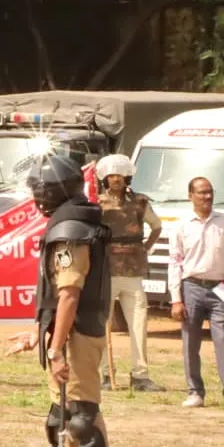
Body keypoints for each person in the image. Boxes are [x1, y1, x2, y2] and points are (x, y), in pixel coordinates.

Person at [4, 154, 115, 447]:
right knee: (62, 423)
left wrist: (56, 349)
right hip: (69, 332)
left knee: (83, 420)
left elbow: (69, 294)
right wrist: (39, 332)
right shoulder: (72, 222)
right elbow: (56, 298)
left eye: (41, 190)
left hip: (78, 336)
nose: (37, 197)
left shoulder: (70, 229)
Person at [168, 177, 224, 408]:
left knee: (222, 338)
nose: (207, 197)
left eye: (210, 192)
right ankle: (195, 392)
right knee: (190, 341)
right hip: (191, 286)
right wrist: (176, 299)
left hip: (220, 287)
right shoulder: (181, 225)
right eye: (201, 193)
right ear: (190, 195)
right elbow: (174, 263)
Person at [94, 154, 164, 391]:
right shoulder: (97, 204)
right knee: (102, 324)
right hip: (107, 270)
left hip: (133, 272)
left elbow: (157, 226)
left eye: (120, 176)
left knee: (138, 324)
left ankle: (140, 375)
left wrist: (145, 247)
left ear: (127, 177)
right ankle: (103, 373)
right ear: (105, 178)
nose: (116, 180)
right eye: (112, 175)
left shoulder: (140, 202)